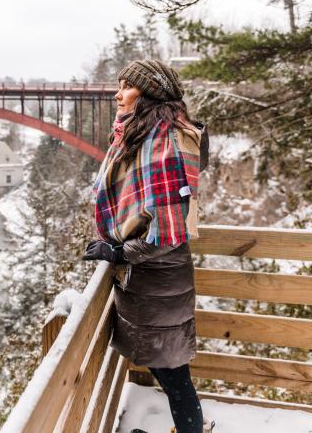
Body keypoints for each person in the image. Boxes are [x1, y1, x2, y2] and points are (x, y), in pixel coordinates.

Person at [83, 60, 214, 433]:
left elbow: (168, 231)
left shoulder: (165, 143)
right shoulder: (146, 136)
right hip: (153, 285)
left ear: (149, 92)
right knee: (170, 373)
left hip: (158, 284)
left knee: (175, 377)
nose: (117, 93)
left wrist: (119, 252)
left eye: (126, 85)